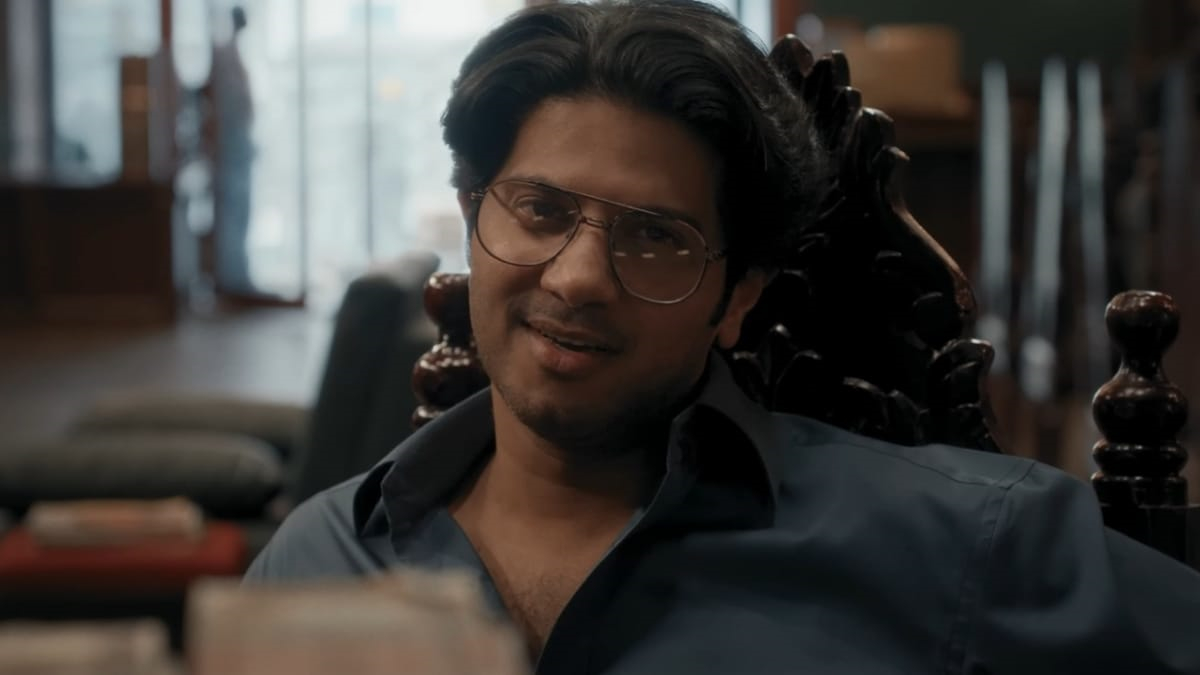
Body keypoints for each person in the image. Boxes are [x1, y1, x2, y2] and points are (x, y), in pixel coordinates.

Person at [244, 1, 1200, 672]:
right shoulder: (323, 557)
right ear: (471, 218)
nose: (576, 277)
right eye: (540, 210)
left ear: (738, 293)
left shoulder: (962, 542)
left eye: (656, 236)